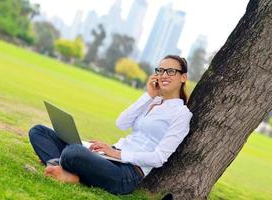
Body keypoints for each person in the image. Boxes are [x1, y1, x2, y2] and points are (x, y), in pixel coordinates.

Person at [29, 54, 193, 195]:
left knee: (73, 152)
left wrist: (117, 155)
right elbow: (121, 123)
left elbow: (158, 158)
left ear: (183, 77)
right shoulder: (152, 100)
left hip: (127, 172)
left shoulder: (181, 114)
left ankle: (62, 167)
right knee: (39, 132)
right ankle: (65, 169)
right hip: (110, 155)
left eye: (171, 71)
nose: (164, 75)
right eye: (160, 70)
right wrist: (148, 95)